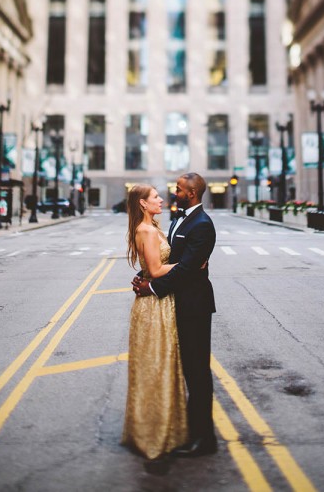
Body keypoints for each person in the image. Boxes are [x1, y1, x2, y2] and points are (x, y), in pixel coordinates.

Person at [133, 172, 217, 457]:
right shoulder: (178, 218)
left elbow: (187, 268)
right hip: (174, 304)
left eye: (179, 190)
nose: (173, 192)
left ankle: (204, 438)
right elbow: (169, 259)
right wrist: (142, 275)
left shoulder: (202, 225)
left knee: (197, 372)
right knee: (181, 369)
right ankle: (185, 429)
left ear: (191, 194)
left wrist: (152, 286)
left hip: (194, 307)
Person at [122, 184, 189, 460]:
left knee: (160, 364)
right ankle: (152, 432)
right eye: (155, 197)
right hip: (153, 306)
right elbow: (156, 269)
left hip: (160, 302)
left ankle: (161, 425)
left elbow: (148, 269)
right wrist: (189, 264)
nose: (161, 199)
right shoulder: (146, 231)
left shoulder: (153, 227)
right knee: (156, 365)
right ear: (143, 204)